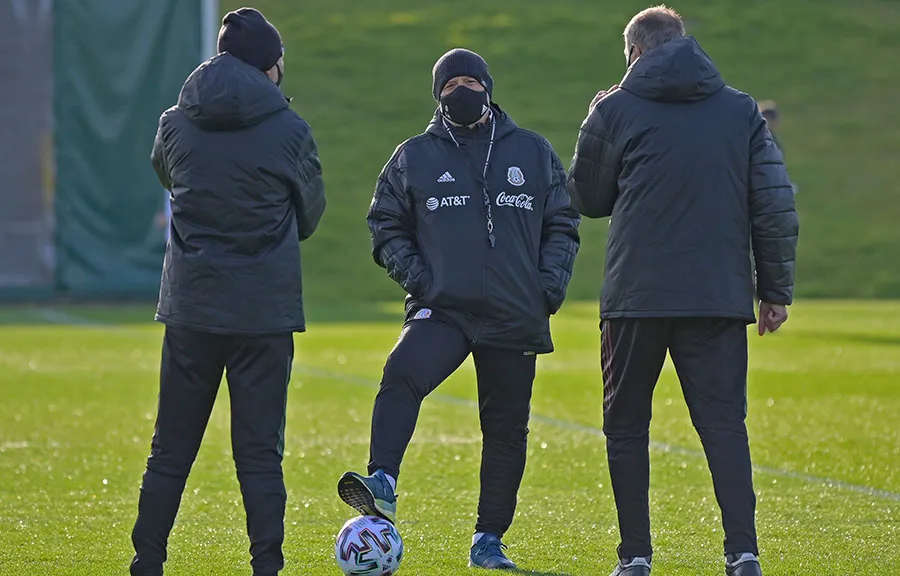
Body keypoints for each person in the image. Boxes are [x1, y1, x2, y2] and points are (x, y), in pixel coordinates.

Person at [567, 6, 798, 576]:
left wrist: (594, 119)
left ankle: (636, 557)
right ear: (683, 43)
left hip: (635, 297)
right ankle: (743, 553)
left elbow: (588, 198)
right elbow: (772, 204)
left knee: (626, 429)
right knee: (723, 427)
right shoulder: (741, 110)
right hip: (716, 295)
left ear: (635, 53)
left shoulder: (616, 108)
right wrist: (774, 289)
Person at [336, 48, 580, 570]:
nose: (461, 92)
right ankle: (382, 480)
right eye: (450, 86)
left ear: (488, 89)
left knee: (506, 430)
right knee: (401, 370)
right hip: (444, 308)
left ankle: (488, 541)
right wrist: (422, 280)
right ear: (437, 95)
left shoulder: (533, 153)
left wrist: (547, 289)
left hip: (515, 312)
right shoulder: (414, 156)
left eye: (470, 82)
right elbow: (384, 224)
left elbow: (563, 224)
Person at [130, 8, 325, 576]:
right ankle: (266, 565)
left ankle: (147, 562)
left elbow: (166, 173)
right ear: (270, 65)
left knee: (170, 449)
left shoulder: (176, 120)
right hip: (263, 313)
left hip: (193, 305)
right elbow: (310, 216)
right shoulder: (290, 129)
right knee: (260, 455)